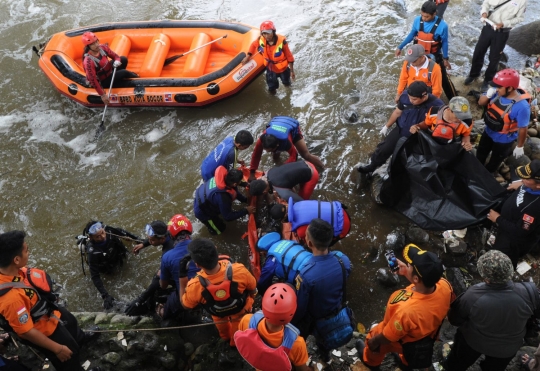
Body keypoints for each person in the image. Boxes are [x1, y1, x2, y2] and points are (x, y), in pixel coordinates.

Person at [0, 231, 100, 371]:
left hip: (49, 311)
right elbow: (26, 332)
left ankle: (80, 340)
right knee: (68, 358)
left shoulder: (13, 270)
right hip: (45, 331)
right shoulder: (11, 299)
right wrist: (57, 349)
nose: (29, 253)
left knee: (70, 322)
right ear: (16, 260)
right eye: (27, 250)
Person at [355, 244, 453, 370]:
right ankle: (404, 362)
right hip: (426, 335)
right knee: (409, 355)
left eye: (409, 265)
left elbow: (388, 336)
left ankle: (370, 362)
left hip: (399, 338)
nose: (407, 264)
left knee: (375, 339)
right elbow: (424, 287)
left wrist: (374, 342)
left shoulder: (405, 310)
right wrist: (407, 272)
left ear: (416, 278)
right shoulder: (445, 285)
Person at [443, 250, 540, 371]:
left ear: (486, 277)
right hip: (507, 348)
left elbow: (455, 320)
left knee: (457, 364)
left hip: (473, 342)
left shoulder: (473, 295)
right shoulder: (530, 292)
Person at [291, 219, 351, 360]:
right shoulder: (343, 260)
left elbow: (301, 307)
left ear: (309, 243)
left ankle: (303, 354)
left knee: (308, 333)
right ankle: (325, 356)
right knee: (324, 343)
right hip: (337, 309)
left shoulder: (306, 274)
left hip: (317, 318)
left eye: (306, 235)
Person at [179, 238, 257, 348]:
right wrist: (250, 304)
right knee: (239, 331)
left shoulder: (195, 285)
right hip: (241, 310)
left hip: (218, 314)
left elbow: (185, 304)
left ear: (197, 265)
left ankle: (226, 340)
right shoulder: (240, 270)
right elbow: (253, 289)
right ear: (216, 251)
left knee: (224, 332)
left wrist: (182, 277)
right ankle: (236, 345)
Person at [357, 81, 444, 174]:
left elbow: (435, 124)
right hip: (401, 129)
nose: (411, 101)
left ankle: (391, 172)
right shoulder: (405, 96)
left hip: (417, 135)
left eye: (414, 99)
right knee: (384, 148)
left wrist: (419, 127)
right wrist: (387, 126)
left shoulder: (437, 105)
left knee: (405, 157)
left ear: (424, 96)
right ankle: (372, 166)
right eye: (410, 98)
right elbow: (397, 112)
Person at [234, 283, 312, 371]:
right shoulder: (297, 344)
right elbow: (302, 369)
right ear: (292, 312)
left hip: (259, 365)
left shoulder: (247, 320)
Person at [396, 1, 455, 100]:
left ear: (434, 14)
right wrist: (400, 47)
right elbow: (412, 34)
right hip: (418, 54)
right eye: (422, 15)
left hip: (434, 54)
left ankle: (453, 98)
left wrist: (445, 58)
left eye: (426, 16)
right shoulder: (417, 21)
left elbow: (445, 42)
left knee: (443, 78)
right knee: (410, 75)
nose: (423, 18)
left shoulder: (443, 26)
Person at [476, 68, 531, 174]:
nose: (496, 89)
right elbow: (480, 103)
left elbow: (523, 128)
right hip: (488, 131)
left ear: (509, 88)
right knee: (481, 152)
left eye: (499, 87)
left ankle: (487, 174)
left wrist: (520, 146)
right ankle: (477, 168)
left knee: (495, 160)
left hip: (504, 140)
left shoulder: (522, 107)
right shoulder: (496, 93)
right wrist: (487, 95)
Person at [463, 0, 527, 90]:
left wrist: (504, 23)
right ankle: (473, 74)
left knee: (494, 58)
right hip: (488, 28)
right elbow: (486, 3)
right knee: (478, 51)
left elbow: (520, 18)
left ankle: (488, 80)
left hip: (502, 32)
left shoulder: (522, 2)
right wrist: (484, 13)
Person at [487, 161, 540, 267]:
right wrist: (521, 183)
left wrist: (497, 219)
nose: (522, 179)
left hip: (513, 241)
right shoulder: (529, 185)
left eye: (526, 179)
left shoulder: (535, 207)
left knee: (500, 261)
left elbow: (520, 231)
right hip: (506, 223)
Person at [249, 116, 324, 181]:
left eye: (270, 150)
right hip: (278, 123)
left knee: (305, 155)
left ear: (277, 145)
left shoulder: (286, 142)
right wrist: (252, 173)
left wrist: (280, 170)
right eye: (266, 150)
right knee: (275, 156)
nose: (268, 152)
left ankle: (323, 167)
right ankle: (276, 160)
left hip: (291, 128)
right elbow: (256, 155)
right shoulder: (262, 139)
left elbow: (294, 156)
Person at [125, 220, 175, 316]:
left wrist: (140, 299)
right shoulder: (170, 232)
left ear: (162, 239)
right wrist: (143, 244)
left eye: (152, 240)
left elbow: (159, 278)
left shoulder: (168, 253)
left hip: (182, 277)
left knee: (156, 286)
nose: (150, 241)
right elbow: (153, 238)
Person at [156, 214, 200, 320]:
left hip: (186, 294)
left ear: (171, 235)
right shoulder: (203, 245)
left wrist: (161, 275)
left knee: (164, 312)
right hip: (206, 287)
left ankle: (162, 311)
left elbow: (163, 286)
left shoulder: (167, 257)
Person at [80, 221, 129, 310]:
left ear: (103, 229)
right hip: (106, 268)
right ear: (91, 238)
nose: (102, 237)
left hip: (118, 257)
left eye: (102, 233)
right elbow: (95, 276)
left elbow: (124, 233)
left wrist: (142, 242)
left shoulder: (109, 231)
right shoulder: (92, 252)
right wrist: (105, 295)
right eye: (97, 236)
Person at [194, 166, 255, 235]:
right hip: (202, 211)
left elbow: (234, 192)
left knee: (221, 207)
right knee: (221, 229)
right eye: (240, 181)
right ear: (235, 184)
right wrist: (246, 210)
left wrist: (245, 200)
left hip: (204, 196)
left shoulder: (225, 179)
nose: (241, 182)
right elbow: (228, 217)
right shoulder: (223, 197)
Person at [81, 31, 138, 105]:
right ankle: (136, 79)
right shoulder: (88, 61)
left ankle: (118, 79)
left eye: (96, 42)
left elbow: (116, 56)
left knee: (123, 59)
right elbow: (93, 80)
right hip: (103, 81)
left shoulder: (102, 48)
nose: (96, 45)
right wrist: (103, 95)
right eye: (93, 44)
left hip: (109, 71)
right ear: (88, 47)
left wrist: (117, 61)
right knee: (124, 72)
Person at [269, 197, 351, 246]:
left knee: (322, 244)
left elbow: (311, 243)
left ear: (283, 221)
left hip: (343, 226)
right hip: (341, 210)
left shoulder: (301, 230)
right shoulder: (299, 203)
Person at [241, 21, 295, 94]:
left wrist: (292, 71)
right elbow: (253, 45)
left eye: (268, 33)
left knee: (287, 84)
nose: (266, 36)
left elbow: (289, 57)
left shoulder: (282, 42)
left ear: (273, 32)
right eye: (264, 33)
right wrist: (248, 56)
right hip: (270, 69)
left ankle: (289, 95)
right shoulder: (260, 40)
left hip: (283, 69)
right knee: (271, 88)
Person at [409, 96, 474, 150]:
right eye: (458, 116)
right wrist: (417, 126)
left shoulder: (467, 122)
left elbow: (466, 135)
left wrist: (466, 142)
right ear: (449, 109)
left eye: (463, 116)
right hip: (431, 145)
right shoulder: (434, 112)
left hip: (450, 148)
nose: (460, 119)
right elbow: (426, 124)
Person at [249, 161, 319, 202]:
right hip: (304, 163)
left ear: (264, 192)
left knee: (302, 201)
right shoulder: (268, 172)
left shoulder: (284, 193)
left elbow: (301, 202)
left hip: (313, 174)